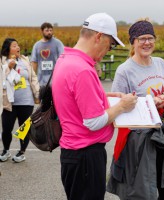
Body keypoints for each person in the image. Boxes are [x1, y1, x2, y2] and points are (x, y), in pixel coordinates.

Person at [51, 13, 137, 200]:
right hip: (86, 156)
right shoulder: (82, 70)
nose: (108, 49)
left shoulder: (66, 59)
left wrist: (106, 96)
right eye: (111, 44)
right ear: (99, 37)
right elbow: (93, 121)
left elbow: (75, 97)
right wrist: (122, 105)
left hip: (74, 154)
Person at [107, 19, 164, 200]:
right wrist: (142, 103)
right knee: (141, 191)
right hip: (138, 139)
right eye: (142, 38)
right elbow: (116, 107)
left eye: (150, 38)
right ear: (133, 42)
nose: (147, 42)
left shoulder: (160, 63)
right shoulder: (124, 70)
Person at [0, 38, 40, 163]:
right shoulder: (2, 61)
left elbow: (33, 78)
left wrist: (37, 94)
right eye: (14, 45)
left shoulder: (24, 60)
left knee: (24, 129)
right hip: (9, 102)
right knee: (7, 128)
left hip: (26, 101)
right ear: (8, 49)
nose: (18, 47)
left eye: (18, 45)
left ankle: (21, 152)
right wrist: (8, 68)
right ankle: (6, 150)